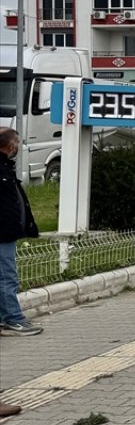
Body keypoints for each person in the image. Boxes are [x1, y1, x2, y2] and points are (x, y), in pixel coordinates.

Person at [1, 127, 41, 337]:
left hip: (7, 232)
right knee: (7, 277)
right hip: (2, 234)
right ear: (10, 145)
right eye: (16, 143)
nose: (18, 147)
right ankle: (13, 320)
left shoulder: (5, 167)